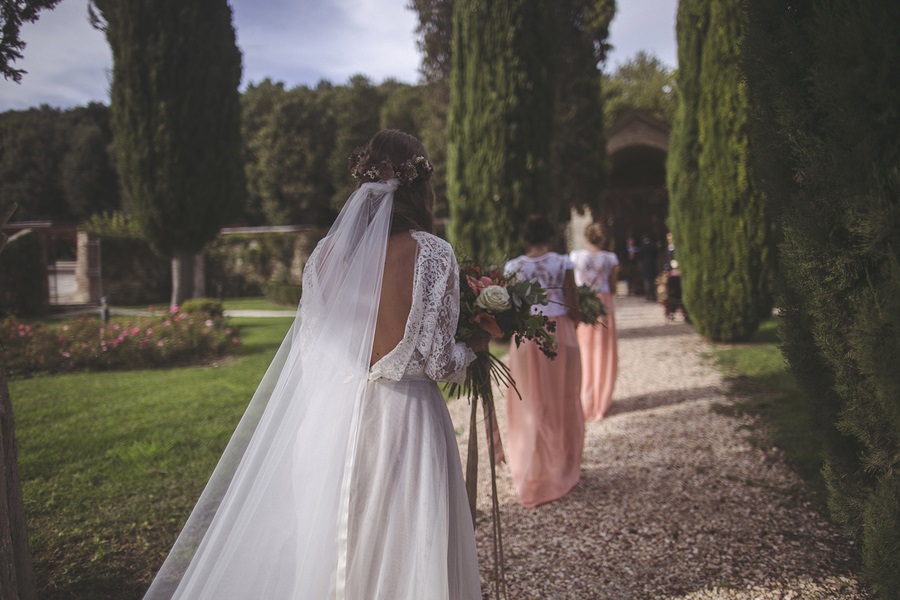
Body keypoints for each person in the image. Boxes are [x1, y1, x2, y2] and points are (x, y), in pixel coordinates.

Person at [144, 130, 483, 599]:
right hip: (406, 421)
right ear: (419, 181)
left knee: (333, 547)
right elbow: (442, 363)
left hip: (331, 422)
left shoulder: (324, 256)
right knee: (407, 542)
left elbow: (311, 352)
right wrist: (479, 346)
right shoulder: (432, 253)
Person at [503, 215, 583, 508]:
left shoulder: (513, 267)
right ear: (550, 235)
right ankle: (561, 466)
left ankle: (532, 468)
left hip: (527, 335)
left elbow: (510, 308)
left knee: (530, 403)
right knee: (563, 399)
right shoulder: (562, 263)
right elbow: (573, 303)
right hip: (559, 333)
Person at [570, 223, 620, 421]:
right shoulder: (611, 259)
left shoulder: (575, 257)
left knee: (584, 351)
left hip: (584, 304)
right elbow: (613, 286)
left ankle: (585, 400)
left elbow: (572, 284)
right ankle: (601, 401)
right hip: (604, 305)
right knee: (604, 352)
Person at [638, 233, 658, 302]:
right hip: (652, 266)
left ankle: (648, 295)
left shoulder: (642, 247)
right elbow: (656, 254)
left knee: (647, 282)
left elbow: (639, 256)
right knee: (652, 281)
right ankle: (653, 295)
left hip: (645, 266)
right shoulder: (653, 246)